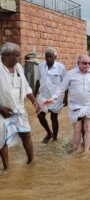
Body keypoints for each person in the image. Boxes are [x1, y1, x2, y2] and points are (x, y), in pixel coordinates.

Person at [44, 54, 90, 153]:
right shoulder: (70, 74)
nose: (87, 65)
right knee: (77, 129)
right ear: (78, 63)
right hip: (76, 106)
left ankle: (86, 150)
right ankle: (78, 148)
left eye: (89, 63)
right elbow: (61, 88)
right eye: (84, 63)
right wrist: (53, 98)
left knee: (89, 128)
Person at [0, 42, 40, 170]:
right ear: (6, 55)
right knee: (2, 140)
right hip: (2, 110)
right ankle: (7, 168)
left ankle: (32, 161)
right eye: (16, 55)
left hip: (19, 109)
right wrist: (1, 109)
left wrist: (34, 100)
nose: (19, 58)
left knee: (26, 134)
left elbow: (26, 86)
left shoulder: (18, 68)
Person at [34, 47, 67, 143]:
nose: (48, 59)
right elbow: (37, 81)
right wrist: (34, 97)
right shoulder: (40, 66)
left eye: (50, 57)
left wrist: (65, 97)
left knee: (54, 117)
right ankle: (49, 132)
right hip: (43, 95)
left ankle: (55, 138)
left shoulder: (61, 67)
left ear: (55, 57)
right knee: (40, 115)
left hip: (55, 96)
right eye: (46, 56)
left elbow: (65, 83)